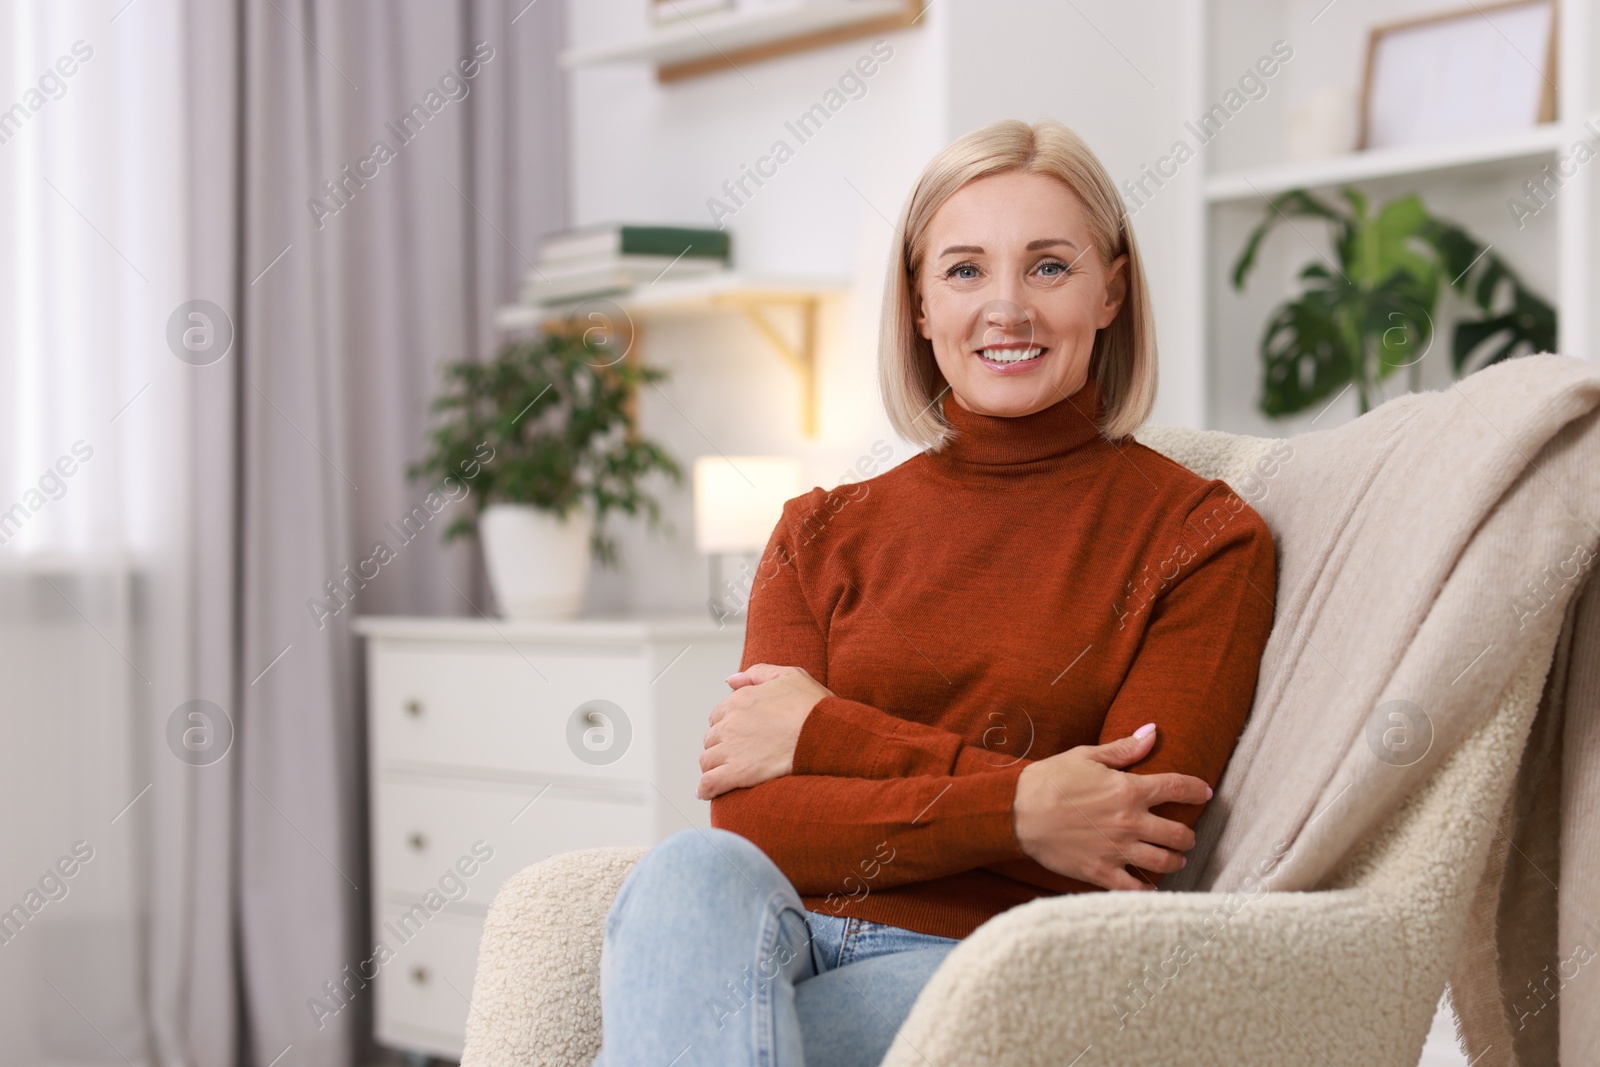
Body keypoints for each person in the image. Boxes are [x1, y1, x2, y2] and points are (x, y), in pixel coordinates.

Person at [589, 117, 1277, 1067]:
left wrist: (823, 731)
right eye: (963, 271)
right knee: (689, 868)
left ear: (1111, 288)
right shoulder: (816, 531)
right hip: (786, 942)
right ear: (917, 304)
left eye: (1048, 267)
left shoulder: (1201, 534)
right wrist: (1025, 804)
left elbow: (1131, 831)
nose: (1007, 308)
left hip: (1001, 967)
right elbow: (754, 816)